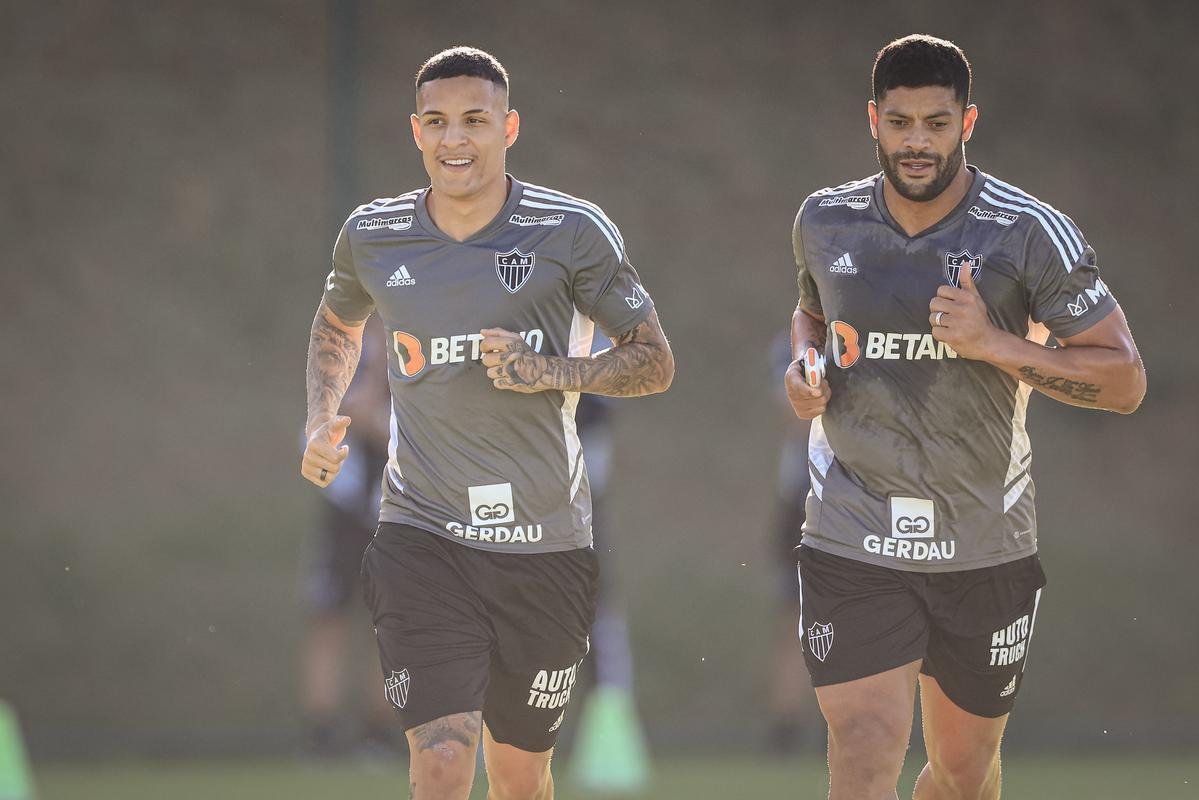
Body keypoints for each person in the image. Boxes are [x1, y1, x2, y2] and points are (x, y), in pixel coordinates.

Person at [301, 46, 674, 800]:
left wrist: (549, 371)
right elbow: (336, 323)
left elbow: (654, 361)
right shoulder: (373, 233)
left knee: (519, 774)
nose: (455, 139)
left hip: (546, 543)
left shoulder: (571, 231)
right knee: (441, 760)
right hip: (421, 536)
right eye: (437, 121)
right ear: (415, 132)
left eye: (474, 120)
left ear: (509, 128)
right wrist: (320, 416)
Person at [783, 34, 1145, 800]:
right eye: (899, 122)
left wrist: (992, 343)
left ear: (967, 123)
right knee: (864, 746)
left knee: (961, 774)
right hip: (854, 529)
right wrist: (804, 368)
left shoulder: (1025, 231)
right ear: (872, 120)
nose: (916, 142)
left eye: (936, 124)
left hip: (983, 539)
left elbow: (1123, 381)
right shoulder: (824, 219)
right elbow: (812, 310)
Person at [298, 316, 396, 758]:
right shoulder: (340, 357)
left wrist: (376, 417)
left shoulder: (417, 357)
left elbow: (408, 436)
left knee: (388, 621)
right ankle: (320, 731)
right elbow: (320, 429)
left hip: (392, 509)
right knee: (329, 614)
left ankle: (380, 730)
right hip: (343, 509)